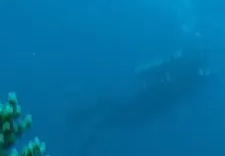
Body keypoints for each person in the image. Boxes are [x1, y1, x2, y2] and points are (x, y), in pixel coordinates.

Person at [69, 45, 210, 146]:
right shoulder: (191, 76)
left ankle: (95, 115)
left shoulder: (181, 68)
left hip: (150, 95)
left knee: (125, 112)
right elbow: (180, 92)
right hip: (153, 101)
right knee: (126, 115)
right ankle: (98, 117)